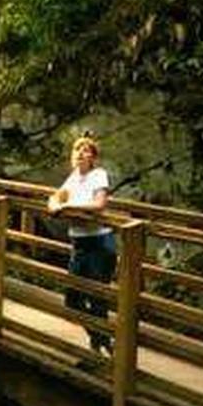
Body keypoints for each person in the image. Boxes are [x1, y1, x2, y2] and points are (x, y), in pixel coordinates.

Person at [47, 134, 115, 357]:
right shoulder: (74, 177)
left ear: (93, 157)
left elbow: (99, 205)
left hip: (99, 243)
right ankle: (102, 340)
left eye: (86, 150)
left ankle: (102, 350)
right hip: (79, 243)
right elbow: (55, 198)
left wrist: (68, 205)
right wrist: (55, 204)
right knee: (72, 299)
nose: (80, 154)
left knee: (96, 298)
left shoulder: (98, 175)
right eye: (77, 150)